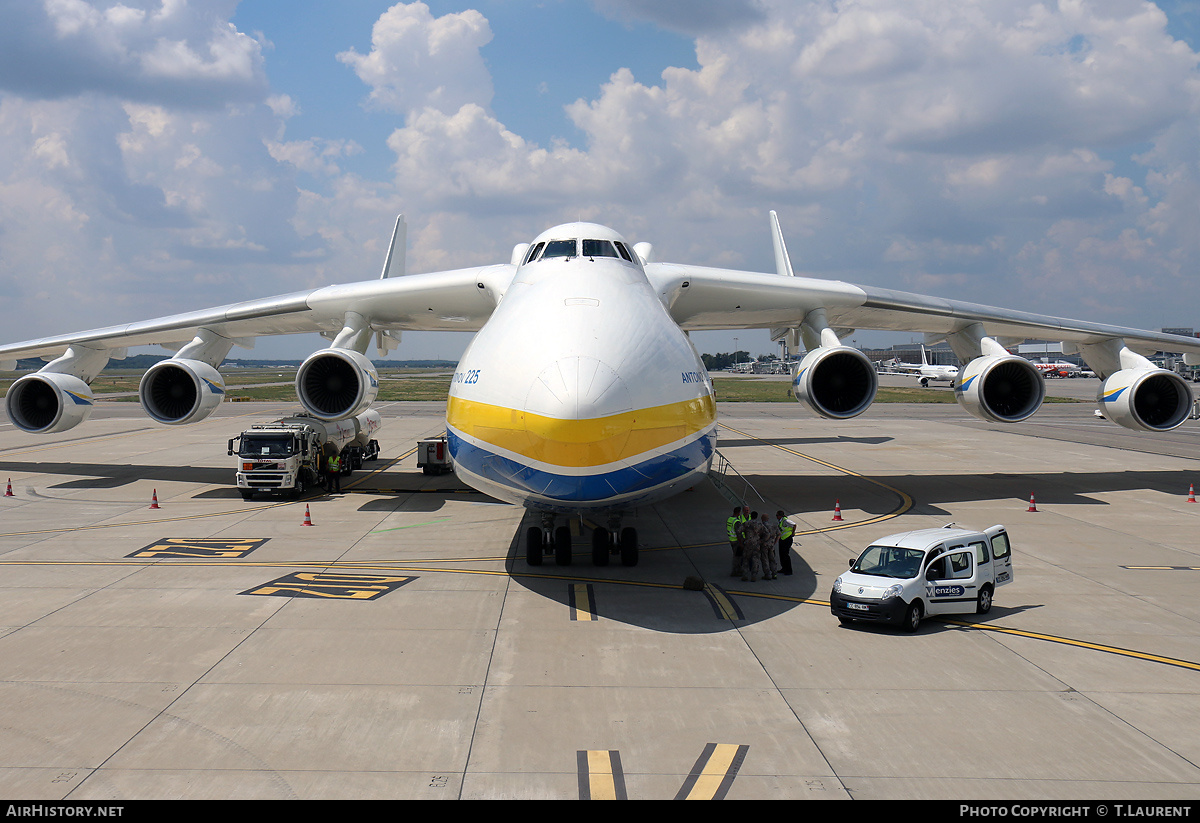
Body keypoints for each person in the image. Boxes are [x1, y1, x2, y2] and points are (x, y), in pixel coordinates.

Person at [741, 510, 764, 582]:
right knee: (755, 560)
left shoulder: (746, 523)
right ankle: (753, 575)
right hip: (756, 544)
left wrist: (742, 540)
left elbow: (738, 531)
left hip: (748, 544)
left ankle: (745, 575)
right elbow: (767, 533)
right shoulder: (760, 524)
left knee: (745, 559)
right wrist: (761, 541)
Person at [760, 512, 779, 580]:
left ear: (762, 519)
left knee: (765, 559)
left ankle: (767, 574)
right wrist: (775, 542)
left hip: (764, 545)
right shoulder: (773, 526)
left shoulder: (762, 526)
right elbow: (779, 534)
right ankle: (774, 573)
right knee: (772, 559)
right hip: (771, 545)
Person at [776, 510, 795, 576]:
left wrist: (793, 533)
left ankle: (789, 570)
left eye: (777, 515)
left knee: (785, 555)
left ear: (780, 516)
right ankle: (783, 568)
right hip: (782, 539)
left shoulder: (785, 521)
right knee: (781, 554)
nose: (776, 517)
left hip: (787, 539)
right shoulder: (780, 521)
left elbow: (794, 525)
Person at [726, 506, 743, 577]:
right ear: (739, 513)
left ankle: (736, 570)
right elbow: (738, 533)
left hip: (731, 540)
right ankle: (736, 571)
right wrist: (741, 543)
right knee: (737, 557)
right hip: (736, 541)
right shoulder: (736, 522)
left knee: (735, 555)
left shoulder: (729, 519)